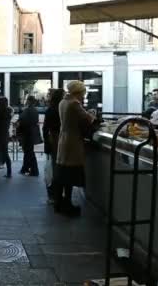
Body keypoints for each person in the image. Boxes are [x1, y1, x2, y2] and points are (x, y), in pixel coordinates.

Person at [55, 81, 96, 217]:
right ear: (78, 93)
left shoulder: (63, 102)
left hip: (63, 140)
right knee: (70, 176)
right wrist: (92, 114)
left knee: (62, 174)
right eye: (83, 93)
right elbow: (86, 119)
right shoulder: (74, 103)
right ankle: (67, 204)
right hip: (72, 142)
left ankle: (59, 203)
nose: (83, 96)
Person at [42, 88, 65, 204]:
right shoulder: (59, 110)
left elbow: (45, 129)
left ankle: (53, 195)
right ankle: (56, 195)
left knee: (52, 169)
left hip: (52, 144)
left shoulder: (50, 110)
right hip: (57, 143)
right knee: (57, 170)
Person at [19, 95, 42, 176]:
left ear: (29, 101)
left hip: (27, 134)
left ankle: (34, 170)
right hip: (31, 133)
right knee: (28, 151)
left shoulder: (28, 110)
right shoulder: (34, 110)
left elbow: (22, 121)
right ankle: (25, 168)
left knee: (28, 152)